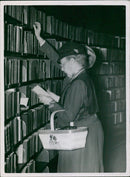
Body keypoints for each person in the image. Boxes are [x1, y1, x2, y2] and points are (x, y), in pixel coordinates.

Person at [33, 22, 104, 172]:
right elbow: (78, 105)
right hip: (88, 130)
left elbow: (68, 116)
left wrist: (50, 102)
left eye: (63, 64)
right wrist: (39, 38)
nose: (61, 68)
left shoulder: (78, 83)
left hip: (84, 133)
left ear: (72, 61)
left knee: (78, 170)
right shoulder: (82, 76)